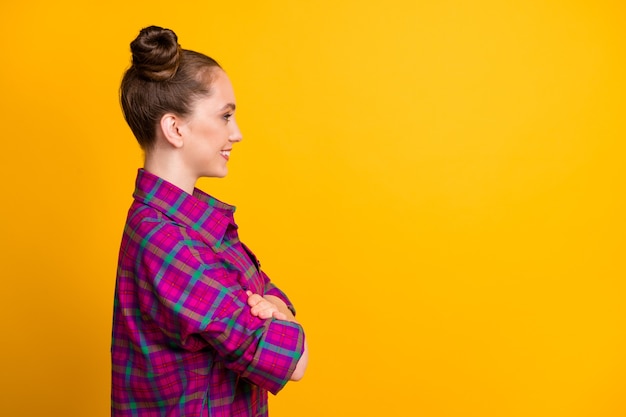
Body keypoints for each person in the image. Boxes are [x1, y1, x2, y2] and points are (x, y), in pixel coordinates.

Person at [111, 26, 308, 417]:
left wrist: (279, 312)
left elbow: (276, 299)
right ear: (175, 128)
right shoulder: (164, 238)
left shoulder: (195, 222)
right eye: (225, 116)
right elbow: (293, 360)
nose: (237, 134)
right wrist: (281, 317)